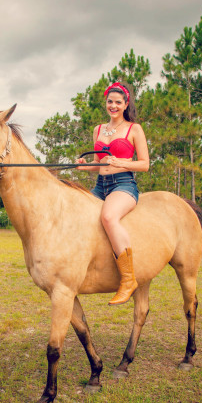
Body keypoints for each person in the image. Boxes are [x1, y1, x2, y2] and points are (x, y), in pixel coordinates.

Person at [76, 81, 150, 305]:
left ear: (126, 104)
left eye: (118, 102)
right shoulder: (98, 129)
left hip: (123, 185)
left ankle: (128, 279)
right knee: (79, 214)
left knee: (108, 216)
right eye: (110, 101)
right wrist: (83, 165)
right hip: (101, 185)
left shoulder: (134, 129)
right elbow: (98, 164)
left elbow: (145, 164)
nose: (114, 106)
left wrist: (121, 163)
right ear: (106, 103)